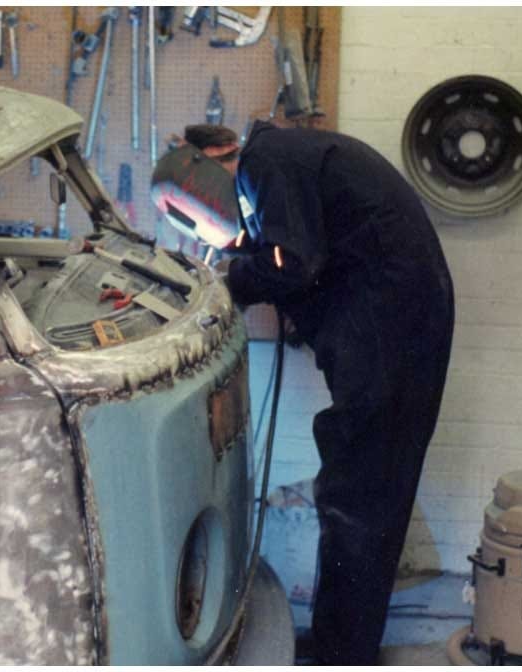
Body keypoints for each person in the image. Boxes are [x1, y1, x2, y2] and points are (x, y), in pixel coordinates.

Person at [155, 121, 455, 665]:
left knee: (358, 498)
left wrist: (229, 283)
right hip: (392, 323)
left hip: (392, 328)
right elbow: (293, 249)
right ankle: (343, 645)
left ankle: (342, 654)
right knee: (362, 492)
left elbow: (294, 261)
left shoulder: (268, 161)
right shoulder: (281, 164)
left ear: (213, 159)